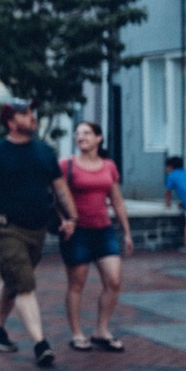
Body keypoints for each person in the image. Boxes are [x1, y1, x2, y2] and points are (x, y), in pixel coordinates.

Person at [0, 98, 78, 368]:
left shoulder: (44, 152)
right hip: (6, 228)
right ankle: (41, 344)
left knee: (13, 279)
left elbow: (59, 188)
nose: (32, 117)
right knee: (24, 282)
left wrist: (72, 217)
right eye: (26, 114)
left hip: (37, 229)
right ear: (11, 122)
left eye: (31, 112)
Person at [60, 121, 134, 352]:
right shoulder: (66, 165)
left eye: (86, 133)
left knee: (114, 281)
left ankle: (101, 330)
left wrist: (127, 232)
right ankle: (77, 333)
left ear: (98, 138)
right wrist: (64, 220)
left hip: (104, 231)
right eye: (78, 133)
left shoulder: (108, 166)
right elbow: (56, 196)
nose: (80, 137)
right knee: (77, 284)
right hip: (77, 233)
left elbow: (117, 201)